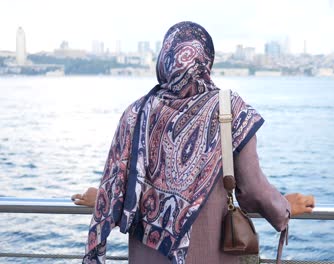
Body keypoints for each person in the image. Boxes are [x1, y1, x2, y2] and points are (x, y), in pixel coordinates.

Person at [72, 21, 314, 264]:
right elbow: (252, 190)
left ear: (164, 59)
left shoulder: (137, 112)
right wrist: (285, 207)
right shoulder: (229, 109)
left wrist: (105, 198)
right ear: (207, 60)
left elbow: (122, 183)